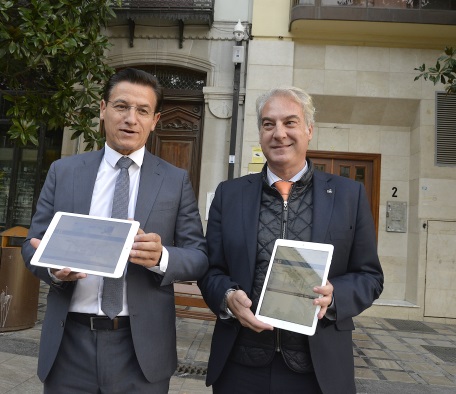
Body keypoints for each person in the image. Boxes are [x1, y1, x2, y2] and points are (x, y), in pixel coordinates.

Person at [22, 68, 208, 393]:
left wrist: (161, 256)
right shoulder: (64, 173)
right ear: (102, 109)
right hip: (69, 344)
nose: (130, 119)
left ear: (155, 120)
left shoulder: (175, 182)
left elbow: (199, 256)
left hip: (141, 350)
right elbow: (32, 245)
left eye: (142, 111)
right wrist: (51, 267)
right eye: (122, 106)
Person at [198, 87, 384, 394]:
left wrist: (334, 297)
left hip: (316, 370)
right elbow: (210, 270)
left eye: (290, 122)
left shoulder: (349, 196)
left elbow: (370, 277)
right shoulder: (229, 195)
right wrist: (228, 297)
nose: (279, 133)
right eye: (268, 124)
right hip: (240, 365)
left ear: (310, 130)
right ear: (259, 133)